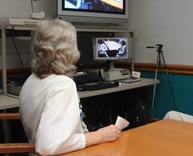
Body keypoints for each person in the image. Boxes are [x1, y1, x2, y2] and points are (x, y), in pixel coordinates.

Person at [19, 19, 121, 155]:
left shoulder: (31, 80)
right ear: (68, 50)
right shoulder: (63, 85)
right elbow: (48, 146)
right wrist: (99, 136)